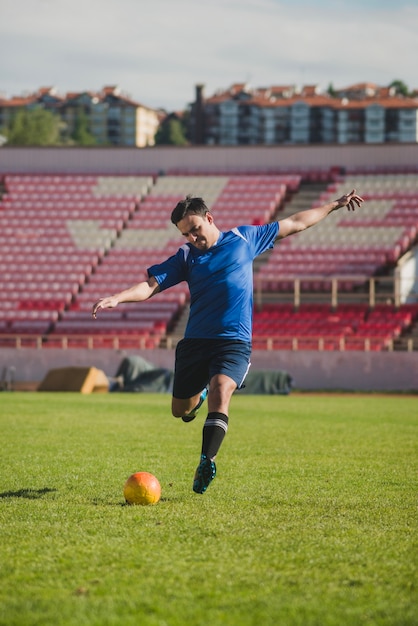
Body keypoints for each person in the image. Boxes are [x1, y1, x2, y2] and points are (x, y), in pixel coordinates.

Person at [92, 188, 364, 494]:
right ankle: (202, 393)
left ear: (209, 218)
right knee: (181, 410)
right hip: (195, 343)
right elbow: (150, 285)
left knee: (223, 388)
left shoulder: (244, 239)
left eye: (195, 229)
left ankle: (206, 461)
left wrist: (335, 205)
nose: (193, 238)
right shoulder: (186, 256)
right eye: (186, 234)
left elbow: (296, 222)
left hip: (233, 343)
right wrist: (118, 298)